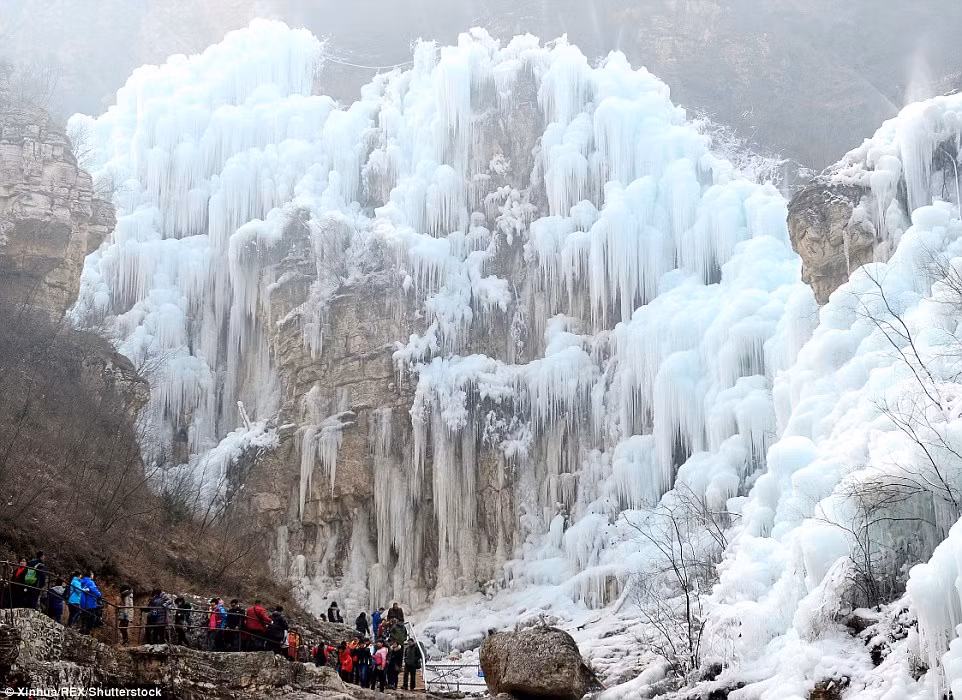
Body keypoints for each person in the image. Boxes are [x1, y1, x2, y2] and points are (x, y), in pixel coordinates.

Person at [79, 571, 102, 635]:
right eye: (92, 574)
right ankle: (87, 632)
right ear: (90, 575)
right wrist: (100, 595)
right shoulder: (90, 582)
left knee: (84, 617)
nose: (93, 575)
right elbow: (95, 591)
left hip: (82, 602)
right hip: (90, 602)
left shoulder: (81, 581)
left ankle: (82, 629)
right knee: (91, 618)